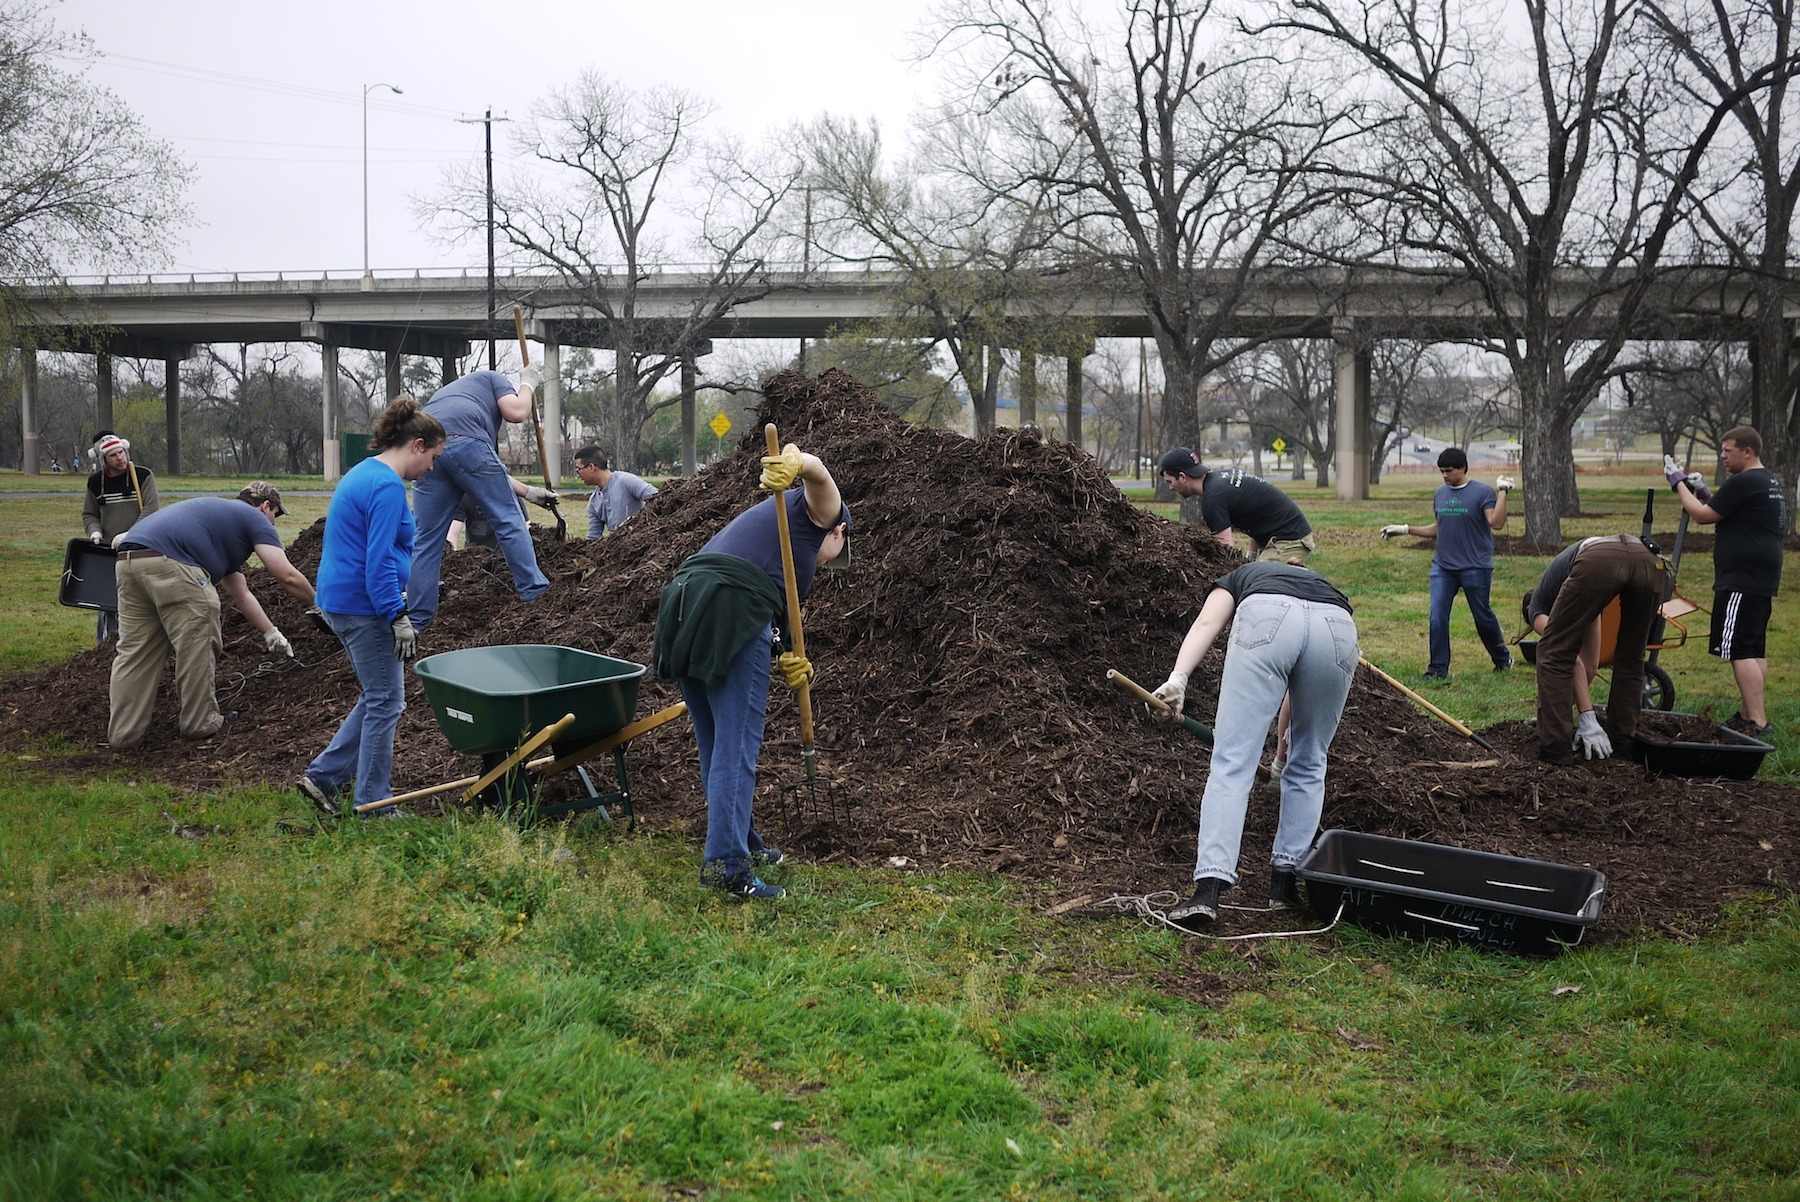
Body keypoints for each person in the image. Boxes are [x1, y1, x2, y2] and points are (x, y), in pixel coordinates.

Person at [652, 440, 851, 901]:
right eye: (833, 556)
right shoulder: (814, 513)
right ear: (838, 532)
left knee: (717, 743)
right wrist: (803, 463)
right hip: (729, 604)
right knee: (737, 746)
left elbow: (770, 601)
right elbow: (821, 479)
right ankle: (726, 866)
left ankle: (742, 842)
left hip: (686, 600)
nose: (827, 564)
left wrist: (783, 654)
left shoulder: (776, 540)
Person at [1149, 561, 1359, 928]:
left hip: (1268, 617)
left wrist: (1178, 679)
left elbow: (1206, 623)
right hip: (1338, 625)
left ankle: (1208, 890)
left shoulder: (1238, 577)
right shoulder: (1320, 583)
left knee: (1233, 760)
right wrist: (1282, 757)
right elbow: (1294, 693)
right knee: (1310, 761)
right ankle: (1285, 884)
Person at [299, 397, 446, 821]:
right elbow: (377, 559)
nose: (432, 468)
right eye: (434, 457)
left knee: (378, 695)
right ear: (417, 445)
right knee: (386, 701)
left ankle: (324, 777)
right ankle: (373, 804)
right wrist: (396, 614)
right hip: (364, 607)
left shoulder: (363, 473)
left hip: (344, 601)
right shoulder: (384, 487)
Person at [108, 483, 315, 749]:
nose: (274, 523)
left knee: (136, 652)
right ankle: (200, 722)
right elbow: (286, 574)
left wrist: (270, 631)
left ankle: (124, 735)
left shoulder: (220, 527)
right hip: (171, 562)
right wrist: (319, 603)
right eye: (276, 514)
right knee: (198, 637)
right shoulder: (254, 517)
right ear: (265, 506)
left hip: (130, 560)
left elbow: (242, 595)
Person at [404, 369, 558, 632]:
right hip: (466, 443)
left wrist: (529, 493)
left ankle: (418, 621)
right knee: (509, 519)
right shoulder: (493, 378)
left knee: (426, 539)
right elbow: (517, 412)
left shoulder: (449, 395)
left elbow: (473, 469)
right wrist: (528, 383)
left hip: (428, 452)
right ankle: (536, 595)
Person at [1668, 427, 1785, 736]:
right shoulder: (1769, 480)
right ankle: (1749, 714)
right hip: (1762, 575)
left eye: (1728, 450)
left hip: (1741, 578)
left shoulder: (1744, 481)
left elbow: (1703, 516)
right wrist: (1705, 491)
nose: (1722, 455)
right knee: (1753, 647)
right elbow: (1733, 512)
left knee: (1739, 650)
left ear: (1747, 451)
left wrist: (1678, 483)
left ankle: (1756, 722)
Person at [1379, 448, 1515, 678]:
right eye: (1441, 471)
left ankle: (1502, 659)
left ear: (1462, 468)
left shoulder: (1482, 492)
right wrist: (1405, 529)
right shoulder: (1440, 493)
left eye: (1449, 471)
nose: (1444, 475)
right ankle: (1437, 670)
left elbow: (1496, 522)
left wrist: (1502, 492)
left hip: (1475, 566)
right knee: (1437, 616)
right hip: (1443, 567)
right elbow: (1440, 528)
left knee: (1482, 617)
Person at [1531, 536, 1667, 764]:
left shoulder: (1536, 605)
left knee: (1553, 652)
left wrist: (1586, 717)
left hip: (1602, 561)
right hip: (1649, 560)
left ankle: (1556, 750)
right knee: (1632, 657)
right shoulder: (1584, 595)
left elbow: (1565, 656)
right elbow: (1590, 666)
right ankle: (1622, 746)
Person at [1159, 447, 1314, 564]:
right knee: (1253, 574)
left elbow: (1226, 552)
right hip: (1283, 536)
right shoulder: (1219, 480)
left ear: (1182, 477)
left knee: (1259, 586)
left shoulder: (1213, 499)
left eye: (1170, 482)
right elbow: (1257, 521)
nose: (1170, 488)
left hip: (1290, 539)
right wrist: (1251, 559)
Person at [81, 432, 160, 644]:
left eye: (122, 452)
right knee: (109, 601)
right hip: (110, 554)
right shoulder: (95, 483)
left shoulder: (143, 476)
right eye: (113, 455)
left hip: (142, 548)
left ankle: (146, 642)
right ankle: (107, 645)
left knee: (143, 600)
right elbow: (90, 514)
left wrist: (130, 534)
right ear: (103, 459)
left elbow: (151, 510)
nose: (120, 458)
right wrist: (94, 531)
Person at [574, 445, 659, 537]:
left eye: (579, 469)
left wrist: (639, 521)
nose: (578, 474)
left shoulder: (626, 481)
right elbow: (593, 536)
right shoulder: (594, 502)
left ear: (591, 467)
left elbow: (659, 498)